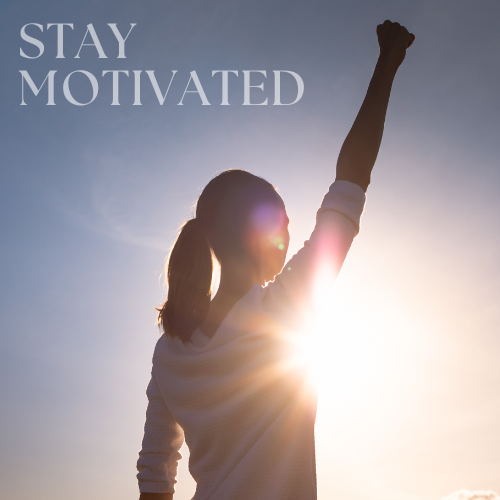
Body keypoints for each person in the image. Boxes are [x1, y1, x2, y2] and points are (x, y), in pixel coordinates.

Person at [137, 20, 415, 500]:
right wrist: (387, 66)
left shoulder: (169, 352)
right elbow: (350, 184)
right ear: (256, 235)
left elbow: (155, 469)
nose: (290, 239)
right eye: (283, 226)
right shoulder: (285, 307)